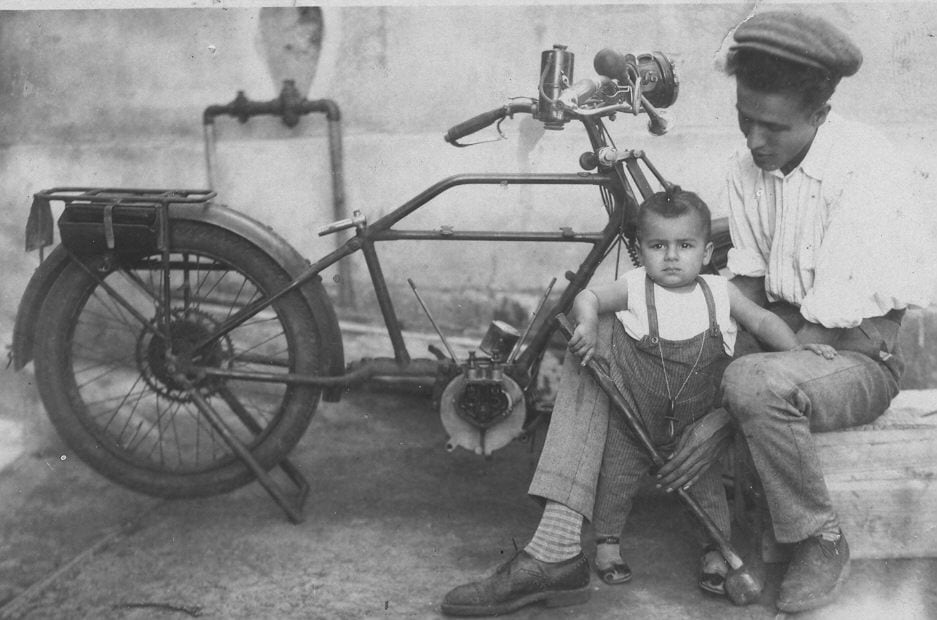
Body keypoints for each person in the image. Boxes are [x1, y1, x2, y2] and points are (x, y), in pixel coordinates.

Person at [440, 186, 837, 617]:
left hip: (693, 419)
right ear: (641, 251)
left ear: (706, 254)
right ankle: (589, 544)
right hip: (637, 417)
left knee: (704, 489)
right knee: (616, 475)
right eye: (657, 246)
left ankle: (714, 549)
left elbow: (761, 320)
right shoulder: (635, 288)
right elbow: (587, 297)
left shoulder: (719, 292)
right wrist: (588, 324)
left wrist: (797, 354)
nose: (670, 257)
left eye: (684, 246)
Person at [654, 10, 932, 614]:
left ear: (820, 115)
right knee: (682, 346)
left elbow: (822, 330)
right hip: (784, 333)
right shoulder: (746, 165)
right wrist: (694, 343)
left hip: (854, 353)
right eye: (743, 120)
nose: (755, 140)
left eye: (772, 127)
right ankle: (729, 529)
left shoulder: (866, 169)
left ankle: (818, 536)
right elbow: (748, 288)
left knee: (753, 382)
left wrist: (719, 415)